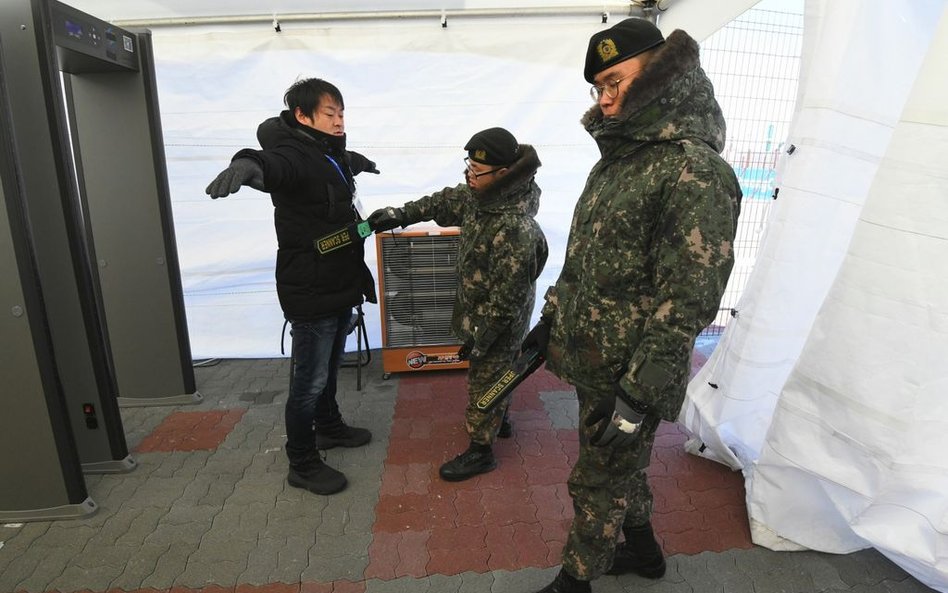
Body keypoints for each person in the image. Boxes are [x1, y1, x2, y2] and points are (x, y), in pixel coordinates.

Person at [521, 19, 742, 593]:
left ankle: (575, 579)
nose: (605, 97)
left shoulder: (694, 168)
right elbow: (586, 259)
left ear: (660, 70)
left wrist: (639, 392)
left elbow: (689, 298)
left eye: (615, 79)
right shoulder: (618, 159)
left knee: (597, 476)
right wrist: (550, 319)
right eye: (597, 86)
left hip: (632, 370)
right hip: (596, 356)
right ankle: (643, 552)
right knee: (620, 464)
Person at [205, 78, 379, 496]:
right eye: (329, 115)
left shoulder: (325, 150)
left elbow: (330, 169)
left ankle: (330, 427)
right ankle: (301, 462)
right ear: (302, 117)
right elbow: (275, 166)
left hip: (339, 280)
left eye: (341, 114)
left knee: (330, 367)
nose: (338, 122)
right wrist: (248, 166)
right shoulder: (293, 155)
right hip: (311, 288)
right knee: (308, 382)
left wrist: (355, 160)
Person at [368, 127, 548, 482]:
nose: (469, 175)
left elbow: (506, 302)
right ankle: (501, 418)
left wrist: (480, 338)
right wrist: (399, 214)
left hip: (499, 319)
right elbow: (442, 201)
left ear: (503, 174)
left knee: (484, 379)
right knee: (500, 371)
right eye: (468, 165)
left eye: (476, 171)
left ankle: (481, 450)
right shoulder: (480, 195)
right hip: (479, 309)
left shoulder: (515, 228)